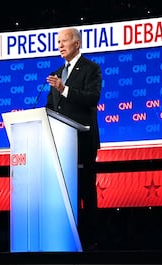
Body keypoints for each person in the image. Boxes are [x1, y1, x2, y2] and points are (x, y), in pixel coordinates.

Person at [46, 28, 102, 250]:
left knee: (86, 190)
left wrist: (64, 88)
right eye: (57, 41)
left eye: (64, 41)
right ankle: (68, 238)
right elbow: (52, 107)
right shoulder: (58, 72)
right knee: (67, 192)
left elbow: (92, 98)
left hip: (83, 141)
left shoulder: (91, 69)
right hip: (62, 144)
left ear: (77, 43)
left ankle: (90, 241)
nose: (59, 45)